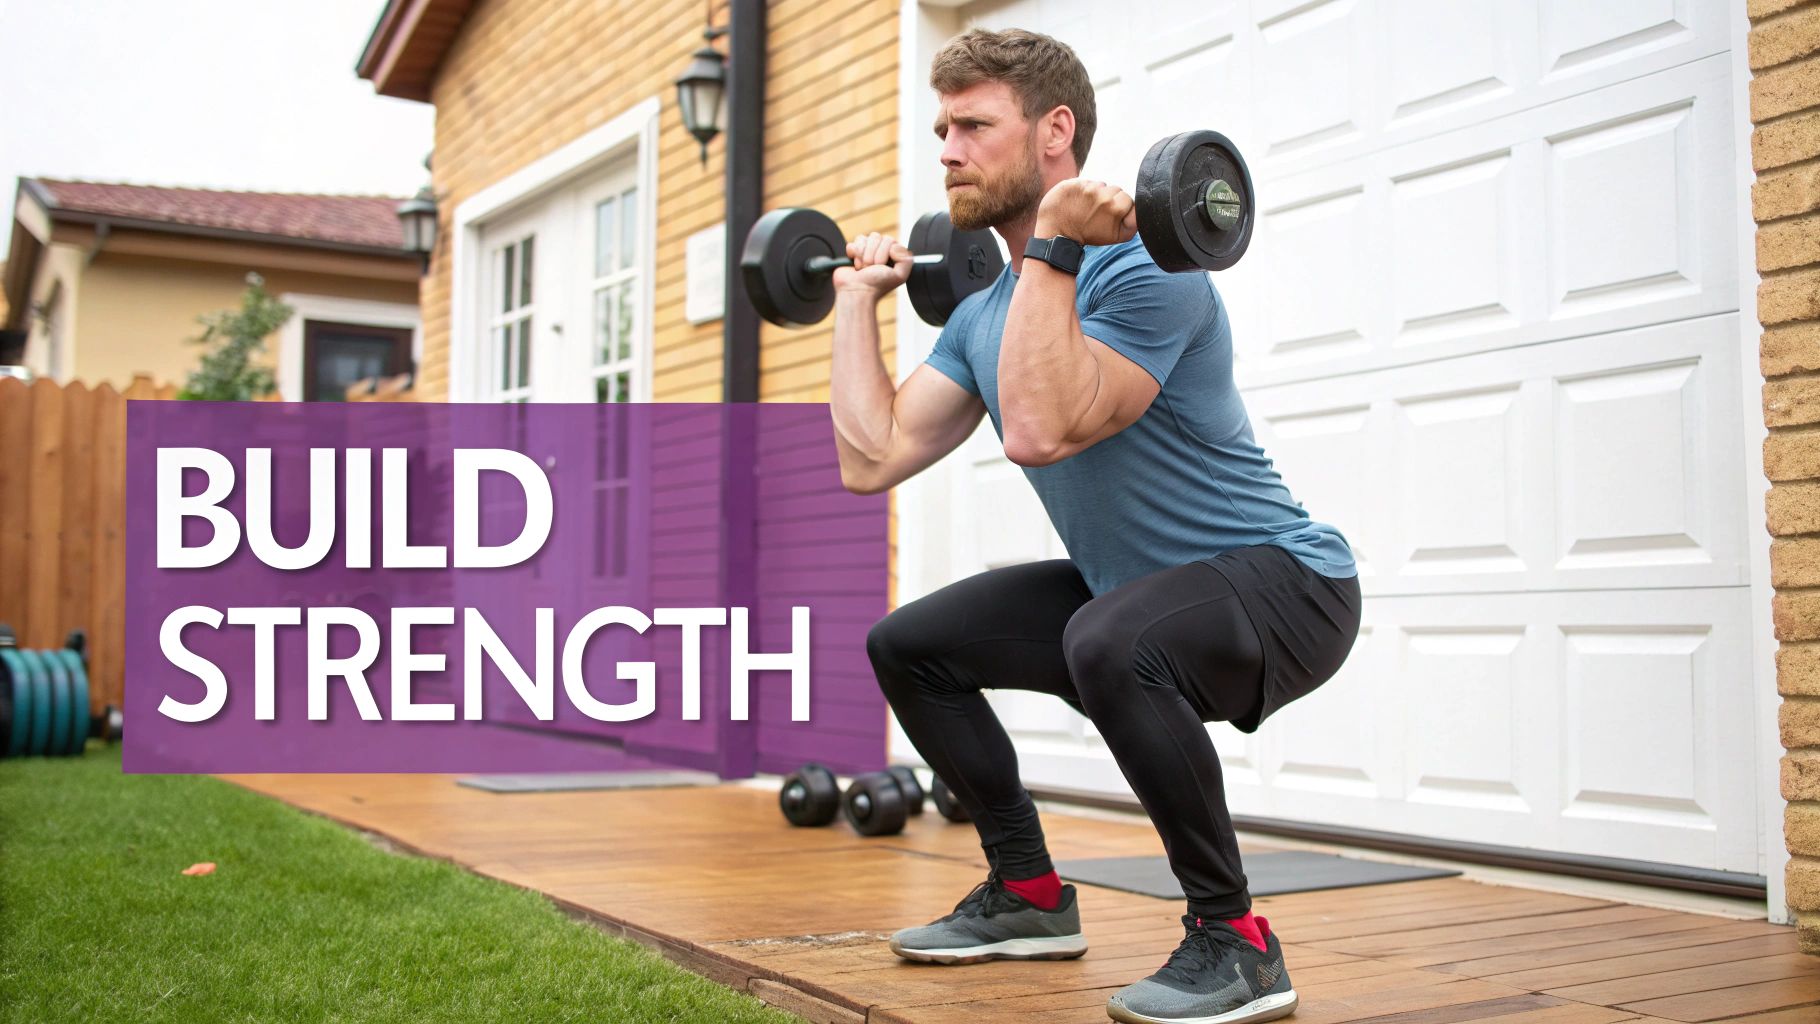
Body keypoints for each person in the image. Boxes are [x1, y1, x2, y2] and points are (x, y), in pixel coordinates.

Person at [827, 26, 1361, 1024]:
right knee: (909, 645)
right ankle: (1025, 891)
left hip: (1284, 585)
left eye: (973, 125)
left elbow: (1038, 428)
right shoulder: (987, 308)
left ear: (1053, 132)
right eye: (940, 127)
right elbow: (873, 457)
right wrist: (856, 302)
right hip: (1132, 594)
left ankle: (1234, 941)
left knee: (1105, 639)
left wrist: (1062, 248)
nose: (944, 149)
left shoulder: (1147, 271)